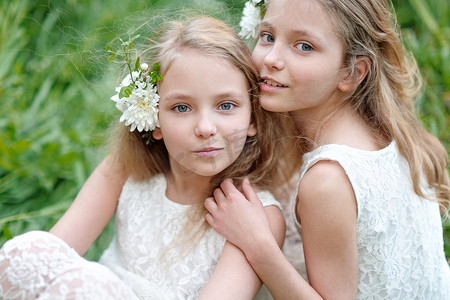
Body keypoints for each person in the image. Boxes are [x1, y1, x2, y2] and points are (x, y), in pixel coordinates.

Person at [0, 16, 298, 299]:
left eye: (226, 105)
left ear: (252, 118)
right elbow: (54, 254)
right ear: (153, 118)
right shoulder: (125, 169)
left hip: (92, 291)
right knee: (30, 251)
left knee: (88, 286)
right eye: (182, 108)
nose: (206, 128)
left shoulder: (254, 215)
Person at [204, 0, 450, 299]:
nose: (271, 58)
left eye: (304, 46)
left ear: (351, 73)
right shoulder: (393, 133)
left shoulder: (328, 181)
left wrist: (257, 244)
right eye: (267, 36)